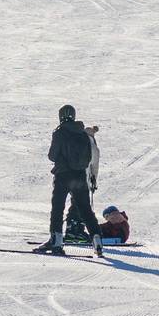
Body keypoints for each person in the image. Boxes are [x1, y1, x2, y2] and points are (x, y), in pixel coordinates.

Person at [38, 104, 100, 256]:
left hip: (63, 176)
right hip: (79, 177)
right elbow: (90, 157)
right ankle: (97, 241)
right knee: (86, 210)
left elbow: (52, 155)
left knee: (58, 209)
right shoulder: (83, 133)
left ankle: (57, 242)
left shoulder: (59, 133)